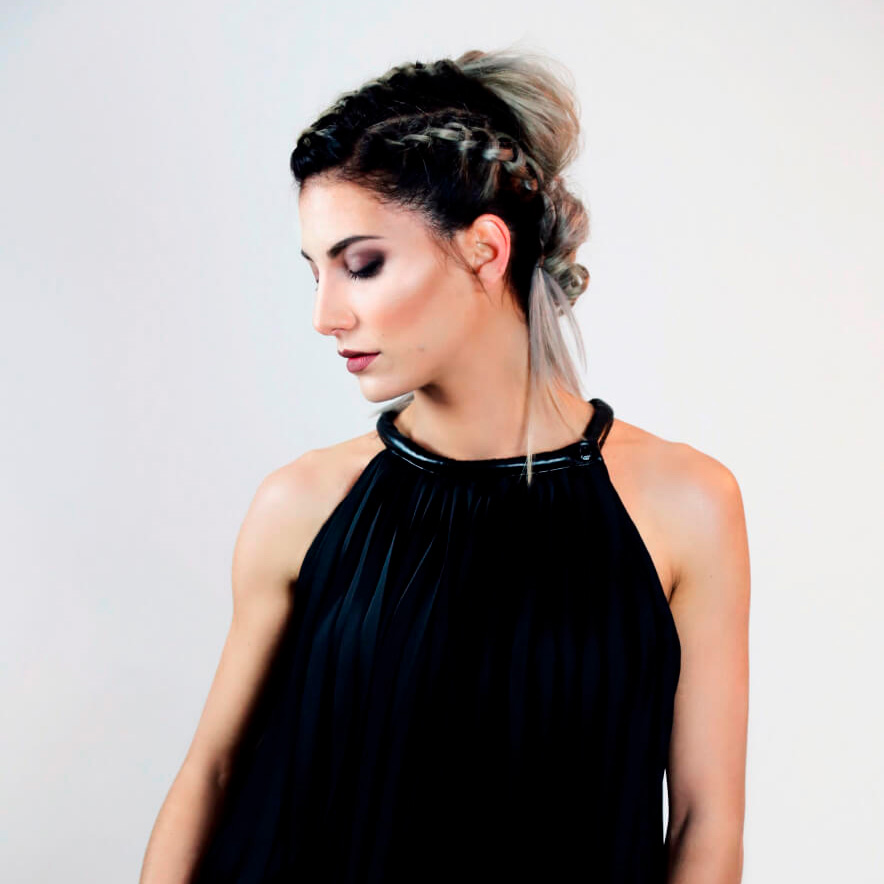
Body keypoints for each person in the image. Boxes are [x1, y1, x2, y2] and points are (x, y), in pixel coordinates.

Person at [140, 46, 750, 884]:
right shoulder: (303, 504)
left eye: (361, 265)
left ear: (485, 250)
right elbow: (211, 775)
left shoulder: (687, 504)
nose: (325, 314)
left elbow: (707, 824)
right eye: (315, 272)